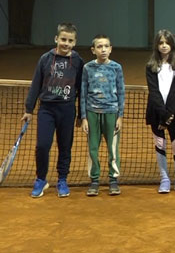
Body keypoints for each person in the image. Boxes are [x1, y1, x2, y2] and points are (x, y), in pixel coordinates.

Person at [22, 22, 84, 198]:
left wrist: (81, 114)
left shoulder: (78, 61)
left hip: (67, 110)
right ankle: (41, 179)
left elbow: (82, 89)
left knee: (65, 146)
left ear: (75, 42)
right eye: (63, 39)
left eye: (70, 40)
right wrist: (29, 109)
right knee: (42, 146)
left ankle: (62, 180)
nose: (66, 43)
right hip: (46, 110)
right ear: (56, 39)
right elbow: (36, 84)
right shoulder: (45, 59)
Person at [81, 34, 125, 196]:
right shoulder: (87, 68)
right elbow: (83, 93)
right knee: (93, 148)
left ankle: (113, 180)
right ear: (93, 50)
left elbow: (121, 92)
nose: (103, 49)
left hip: (112, 113)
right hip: (92, 113)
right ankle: (94, 180)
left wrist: (120, 116)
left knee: (113, 149)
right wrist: (84, 117)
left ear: (111, 49)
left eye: (106, 46)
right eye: (99, 47)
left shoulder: (116, 68)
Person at [145, 29, 175, 194]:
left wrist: (169, 116)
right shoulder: (150, 67)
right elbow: (154, 92)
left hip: (173, 113)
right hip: (156, 113)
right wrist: (163, 116)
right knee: (160, 144)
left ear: (172, 45)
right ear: (156, 45)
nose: (164, 46)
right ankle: (164, 179)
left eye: (167, 43)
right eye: (161, 43)